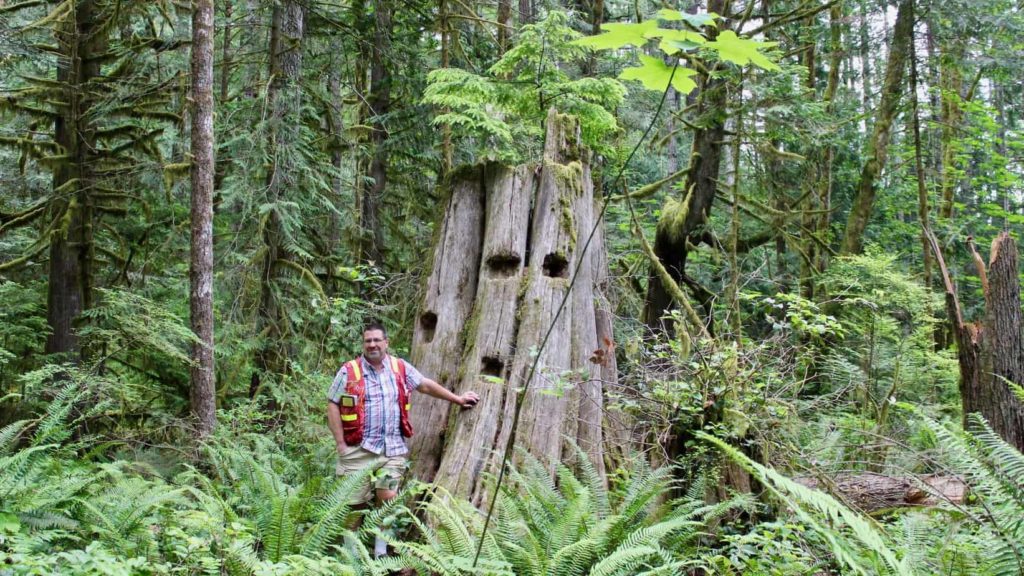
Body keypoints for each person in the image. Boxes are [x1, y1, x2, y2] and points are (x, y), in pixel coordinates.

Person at [326, 322, 478, 553]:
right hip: (358, 450)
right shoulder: (349, 370)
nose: (373, 344)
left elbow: (425, 385)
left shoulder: (400, 367)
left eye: (377, 340)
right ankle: (352, 556)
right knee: (353, 506)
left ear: (386, 342)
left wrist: (457, 399)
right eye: (368, 340)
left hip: (391, 452)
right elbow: (333, 403)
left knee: (387, 499)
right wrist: (341, 445)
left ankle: (380, 554)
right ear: (363, 344)